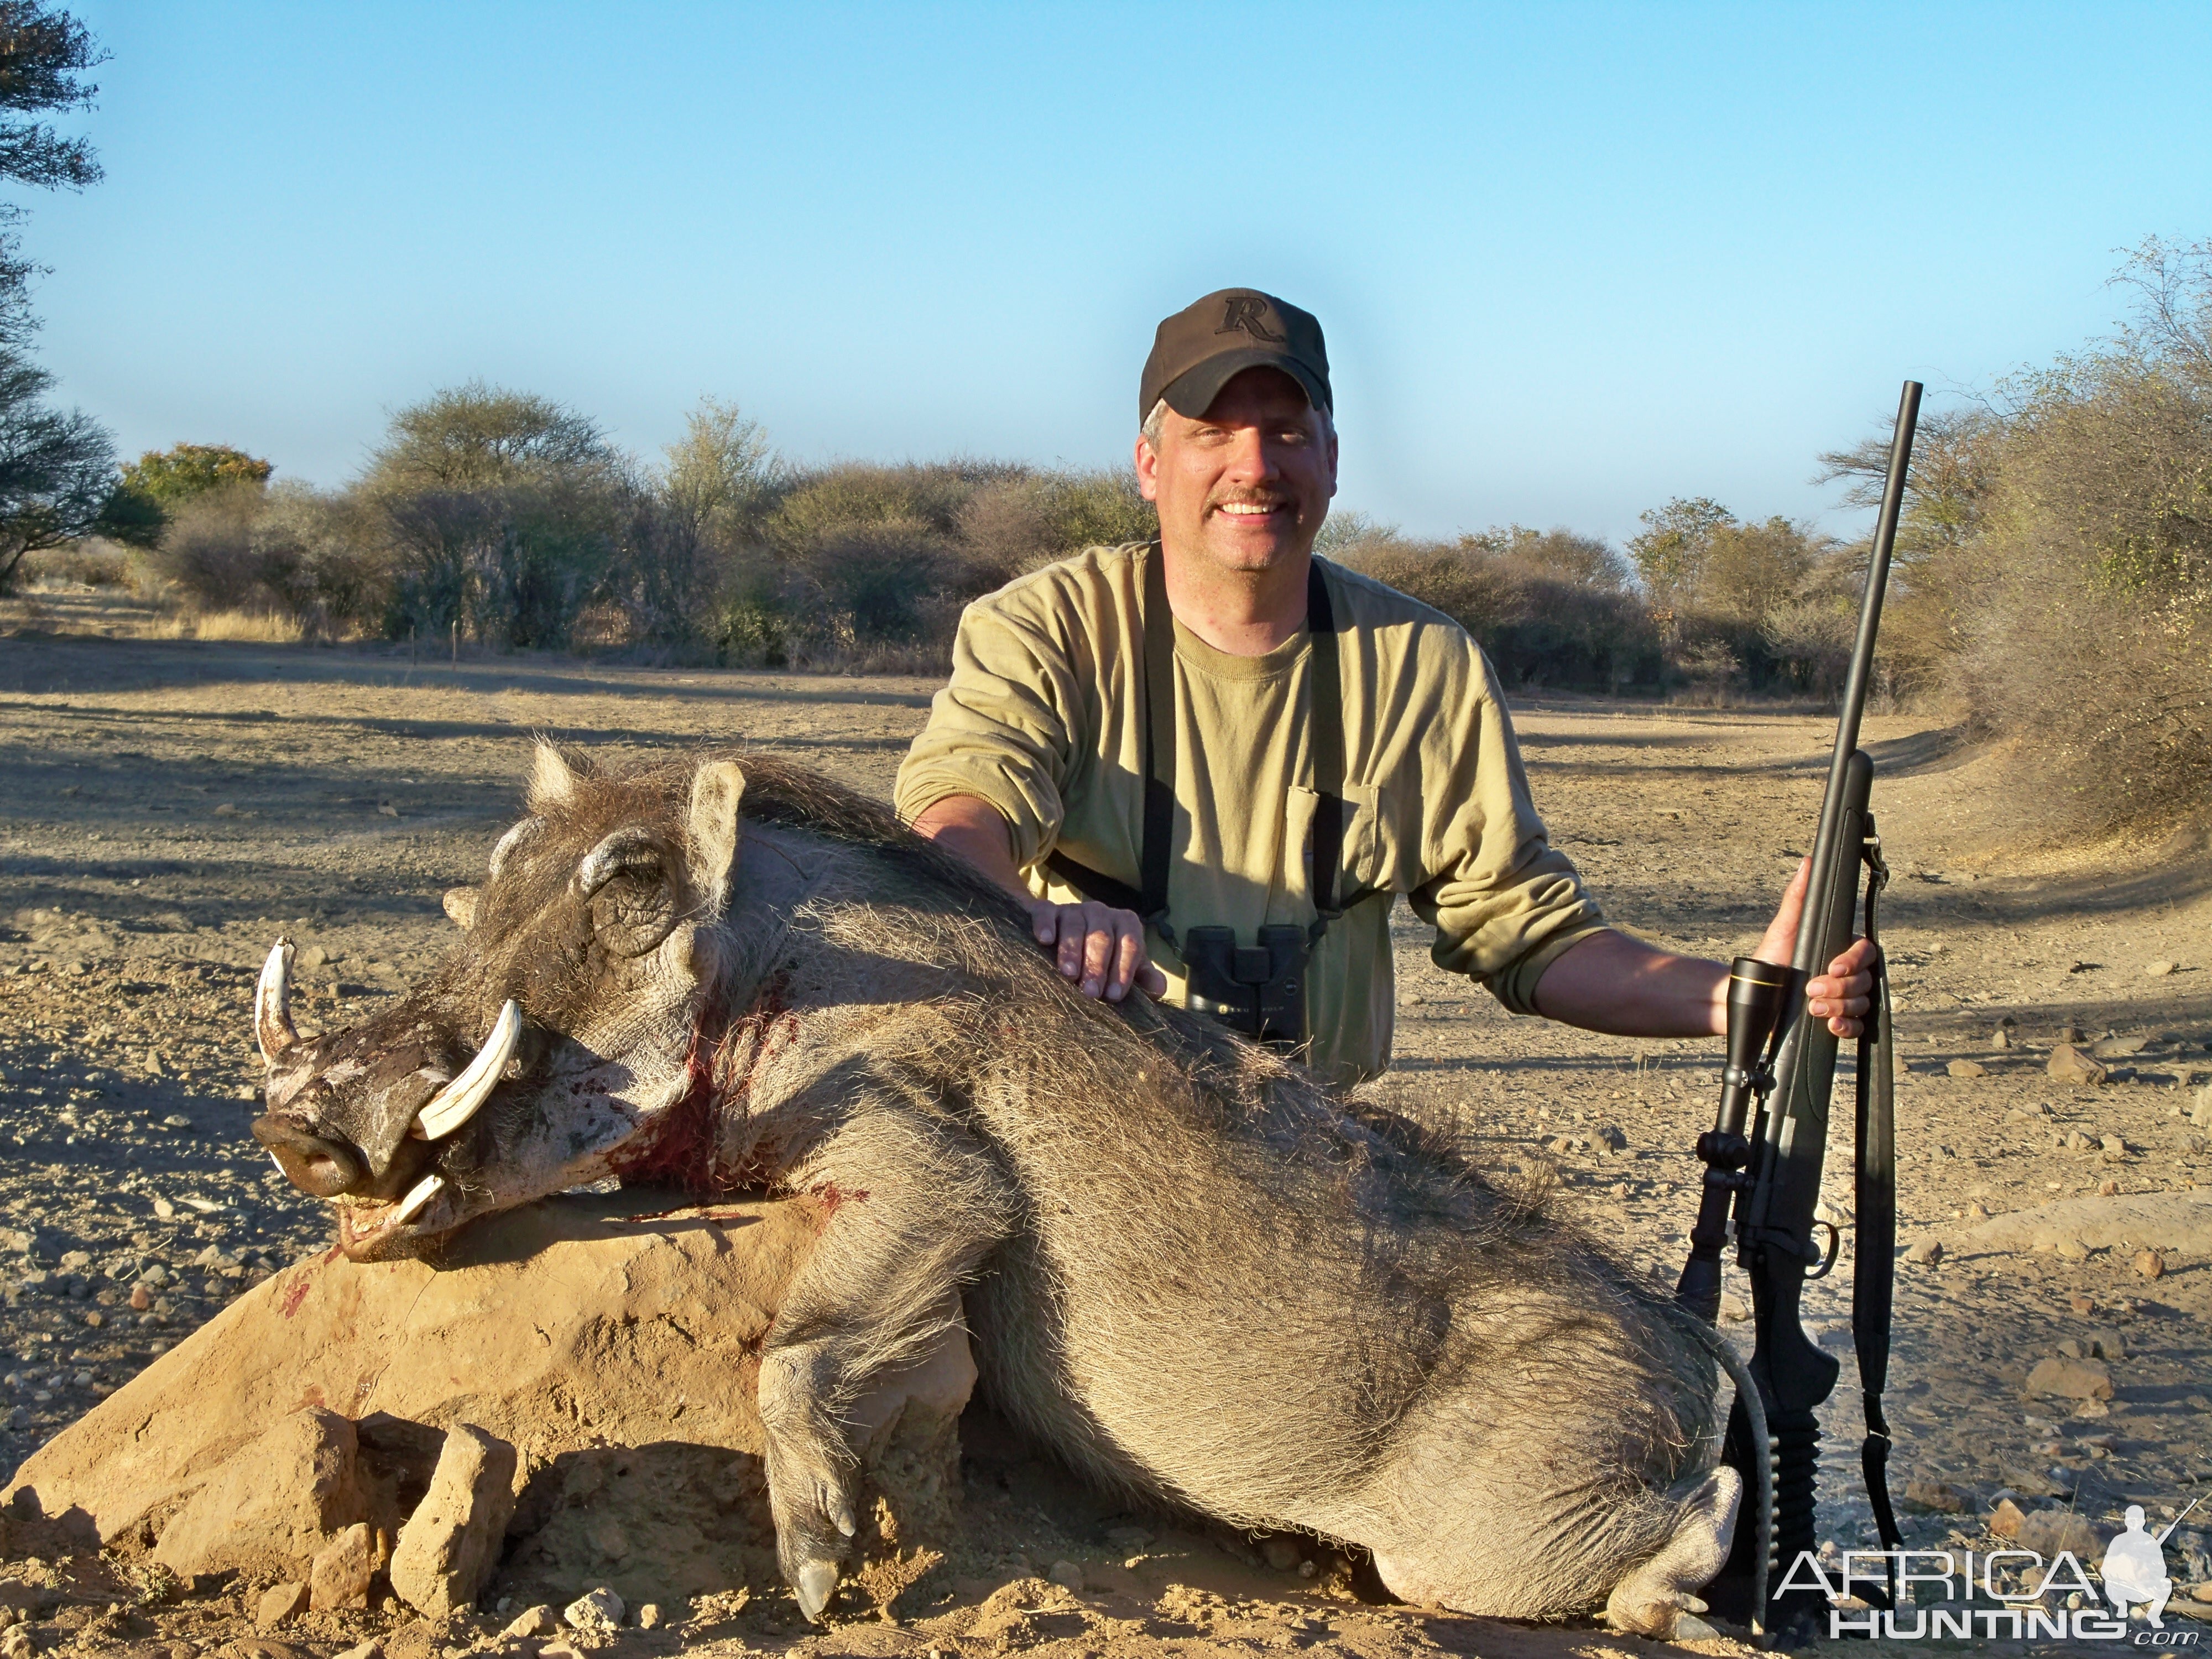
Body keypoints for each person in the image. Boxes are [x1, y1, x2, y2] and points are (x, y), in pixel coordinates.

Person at [894, 286, 1874, 1083]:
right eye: (1214, 434)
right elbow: (955, 822)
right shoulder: (1042, 625)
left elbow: (1525, 933)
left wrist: (1746, 993)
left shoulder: (1426, 662)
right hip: (1086, 1121)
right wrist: (1040, 920)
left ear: (1331, 459)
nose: (1254, 466)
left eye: (1285, 432)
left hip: (1321, 1145)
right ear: (1150, 466)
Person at [2101, 1504, 2179, 1626]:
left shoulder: (2150, 1541)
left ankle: (2153, 1615)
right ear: (2126, 1521)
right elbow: (2106, 1570)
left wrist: (2148, 1569)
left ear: (2143, 1522)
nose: (2134, 1523)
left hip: (2144, 1586)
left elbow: (2162, 1570)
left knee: (2166, 1584)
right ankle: (2121, 1608)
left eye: (2137, 1520)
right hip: (2123, 1585)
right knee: (2110, 1584)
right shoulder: (2119, 1541)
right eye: (2131, 1520)